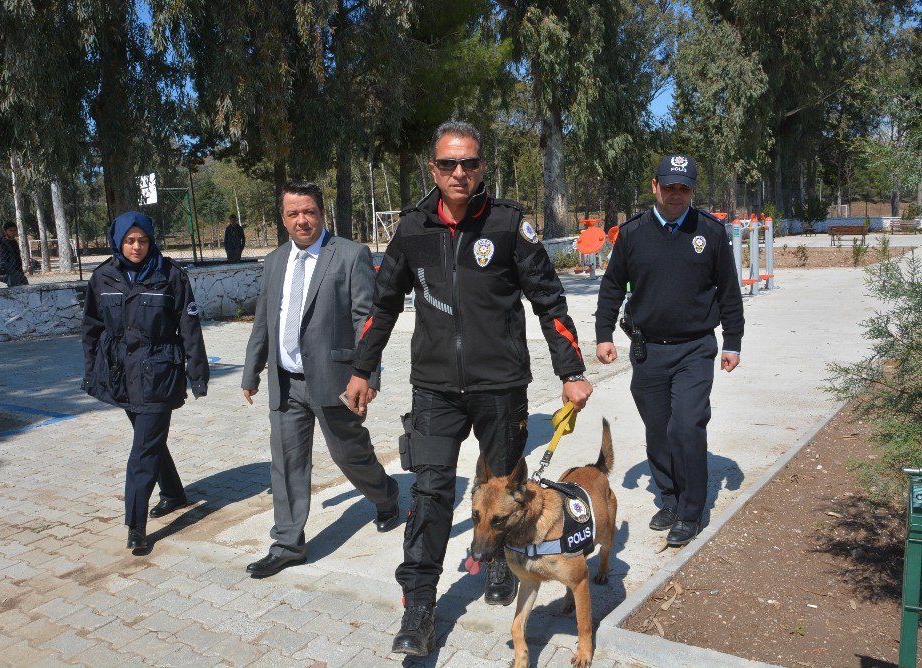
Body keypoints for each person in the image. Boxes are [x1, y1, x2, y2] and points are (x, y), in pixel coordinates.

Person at [345, 120, 593, 657]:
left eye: (470, 163)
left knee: (503, 490)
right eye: (448, 164)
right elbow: (383, 304)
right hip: (434, 387)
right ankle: (419, 608)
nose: (459, 173)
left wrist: (571, 371)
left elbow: (549, 300)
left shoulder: (508, 225)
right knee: (432, 492)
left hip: (501, 387)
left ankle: (503, 566)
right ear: (432, 168)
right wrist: (362, 369)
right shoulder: (411, 229)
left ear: (482, 168)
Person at [241, 181, 400, 579]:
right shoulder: (275, 261)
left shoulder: (349, 255)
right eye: (293, 213)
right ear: (283, 218)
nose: (302, 220)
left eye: (308, 212)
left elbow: (367, 319)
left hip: (335, 380)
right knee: (287, 463)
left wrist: (369, 375)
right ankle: (288, 543)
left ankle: (386, 495)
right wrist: (251, 370)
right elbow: (265, 319)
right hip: (286, 382)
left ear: (322, 213)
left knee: (349, 454)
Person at [594, 154, 744, 548]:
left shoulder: (710, 233)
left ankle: (692, 512)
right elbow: (612, 286)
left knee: (686, 427)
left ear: (692, 191)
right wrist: (603, 334)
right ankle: (671, 497)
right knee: (658, 430)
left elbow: (729, 291)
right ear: (655, 186)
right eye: (670, 186)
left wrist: (733, 341)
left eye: (685, 188)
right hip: (648, 351)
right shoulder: (632, 234)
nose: (677, 195)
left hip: (695, 349)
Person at [82, 211, 210, 553]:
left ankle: (136, 525)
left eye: (142, 240)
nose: (136, 247)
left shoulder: (170, 276)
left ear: (151, 240)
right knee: (149, 441)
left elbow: (190, 329)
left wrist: (197, 374)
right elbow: (92, 329)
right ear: (118, 242)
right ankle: (173, 493)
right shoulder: (103, 277)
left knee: (142, 450)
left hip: (159, 375)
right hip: (121, 376)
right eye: (129, 240)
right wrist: (91, 372)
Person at [0, 222, 29, 287]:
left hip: (16, 271)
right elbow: (2, 261)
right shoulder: (3, 243)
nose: (13, 232)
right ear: (5, 231)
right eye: (10, 230)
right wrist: (12, 272)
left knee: (24, 281)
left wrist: (20, 272)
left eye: (14, 230)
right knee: (14, 281)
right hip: (3, 272)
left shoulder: (14, 242)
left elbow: (17, 259)